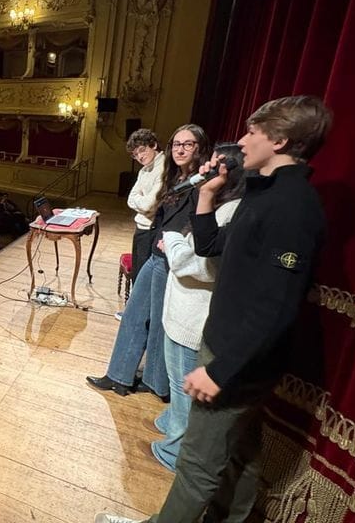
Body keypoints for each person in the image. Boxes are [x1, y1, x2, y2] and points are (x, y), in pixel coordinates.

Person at [96, 95, 331, 523]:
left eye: (252, 132)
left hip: (235, 358)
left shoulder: (292, 207)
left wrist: (219, 370)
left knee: (196, 466)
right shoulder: (264, 194)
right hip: (232, 350)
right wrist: (206, 193)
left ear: (279, 140)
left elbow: (277, 306)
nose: (241, 141)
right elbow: (208, 245)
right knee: (241, 455)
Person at [87, 124, 209, 400]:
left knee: (157, 322)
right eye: (176, 144)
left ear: (199, 148)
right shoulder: (174, 175)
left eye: (187, 144)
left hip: (172, 257)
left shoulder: (201, 182)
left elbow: (189, 219)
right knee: (134, 314)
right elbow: (146, 204)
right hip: (157, 250)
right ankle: (118, 376)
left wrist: (175, 242)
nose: (180, 149)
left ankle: (155, 383)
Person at [150, 143, 245, 472]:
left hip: (193, 318)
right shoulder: (221, 205)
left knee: (183, 388)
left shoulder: (232, 212)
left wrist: (173, 241)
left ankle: (175, 451)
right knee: (177, 384)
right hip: (183, 312)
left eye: (213, 164)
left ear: (228, 173)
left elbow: (200, 266)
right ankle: (171, 426)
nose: (204, 168)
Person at [124, 129, 166, 284]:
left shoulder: (164, 167)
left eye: (142, 150)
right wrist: (140, 201)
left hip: (152, 229)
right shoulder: (144, 169)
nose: (139, 157)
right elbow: (130, 198)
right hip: (141, 226)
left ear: (153, 145)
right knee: (137, 274)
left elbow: (149, 205)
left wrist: (140, 201)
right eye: (135, 155)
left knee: (143, 278)